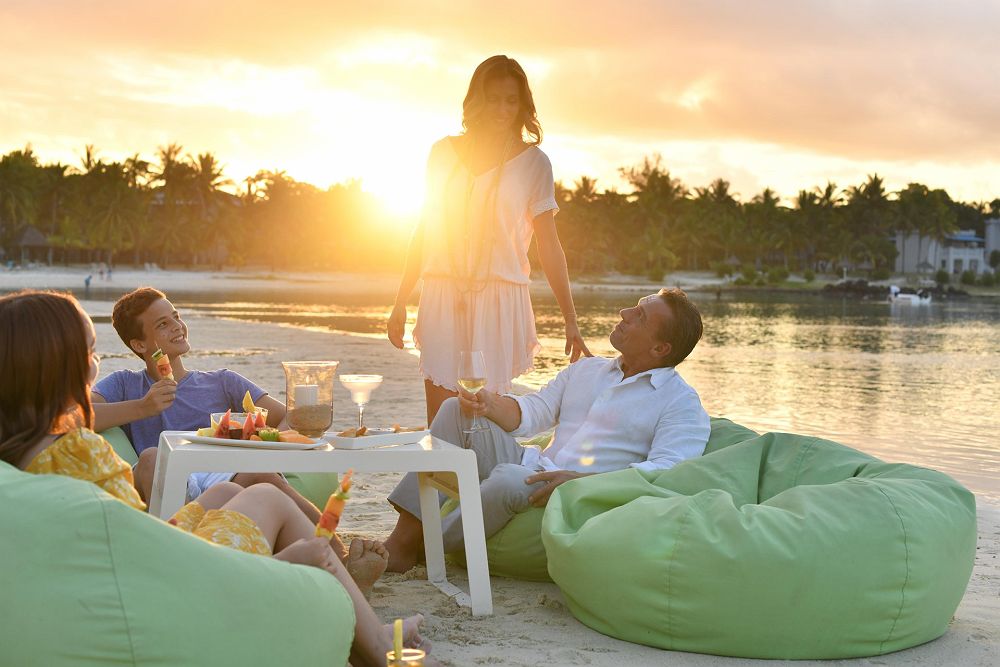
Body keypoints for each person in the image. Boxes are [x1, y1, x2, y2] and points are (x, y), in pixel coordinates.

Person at [0, 290, 433, 667]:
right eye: (89, 352)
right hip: (167, 582)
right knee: (293, 528)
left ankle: (341, 577)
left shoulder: (27, 451)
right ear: (56, 366)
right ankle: (376, 639)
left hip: (145, 556)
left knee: (231, 488)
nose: (94, 363)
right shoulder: (87, 445)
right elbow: (142, 549)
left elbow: (128, 535)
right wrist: (282, 564)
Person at [385, 288, 711, 572]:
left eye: (639, 316)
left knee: (508, 478)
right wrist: (488, 403)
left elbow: (666, 472)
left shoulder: (681, 403)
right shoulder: (587, 369)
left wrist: (583, 481)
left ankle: (429, 548)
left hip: (576, 491)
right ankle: (400, 542)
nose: (624, 313)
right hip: (535, 465)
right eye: (634, 306)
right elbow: (535, 411)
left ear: (660, 349)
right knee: (455, 410)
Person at [90, 287, 387, 587]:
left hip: (227, 476)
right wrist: (144, 406)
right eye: (162, 324)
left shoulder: (222, 381)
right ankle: (177, 560)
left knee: (260, 472)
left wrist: (262, 441)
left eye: (176, 317)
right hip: (169, 479)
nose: (177, 326)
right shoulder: (126, 384)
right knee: (151, 456)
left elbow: (288, 417)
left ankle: (342, 558)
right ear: (139, 344)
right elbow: (80, 414)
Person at [387, 54, 591, 425]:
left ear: (522, 105)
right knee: (441, 422)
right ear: (477, 100)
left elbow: (549, 244)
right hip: (442, 292)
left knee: (483, 422)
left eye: (511, 100)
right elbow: (423, 229)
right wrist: (400, 301)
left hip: (499, 298)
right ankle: (442, 481)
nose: (502, 108)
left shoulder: (534, 164)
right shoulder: (442, 152)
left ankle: (481, 484)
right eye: (494, 98)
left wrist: (571, 320)